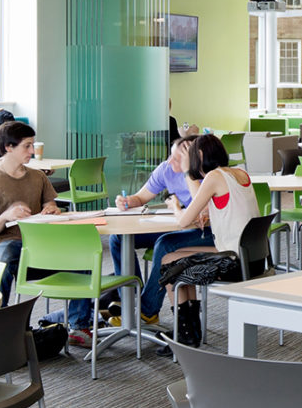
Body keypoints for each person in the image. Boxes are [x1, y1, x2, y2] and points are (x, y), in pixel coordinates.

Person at [156, 134, 258, 347]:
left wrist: (174, 206)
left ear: (200, 156)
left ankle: (186, 336)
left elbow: (184, 221)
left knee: (168, 262)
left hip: (231, 262)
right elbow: (232, 207)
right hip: (251, 257)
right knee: (174, 260)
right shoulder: (240, 173)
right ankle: (189, 333)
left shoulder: (214, 177)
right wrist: (208, 214)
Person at [99, 135, 211, 328]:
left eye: (177, 158)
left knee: (165, 244)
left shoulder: (204, 173)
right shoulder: (166, 169)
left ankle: (147, 310)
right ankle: (132, 300)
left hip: (201, 231)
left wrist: (187, 172)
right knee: (117, 239)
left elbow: (203, 213)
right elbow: (141, 197)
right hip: (179, 226)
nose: (170, 161)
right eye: (171, 156)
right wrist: (127, 201)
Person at [0, 120, 62, 308]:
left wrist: (52, 210)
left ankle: (78, 323)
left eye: (32, 145)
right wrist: (6, 216)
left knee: (82, 253)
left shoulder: (38, 176)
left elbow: (51, 204)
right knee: (2, 262)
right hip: (10, 242)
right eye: (27, 146)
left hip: (42, 239)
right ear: (9, 147)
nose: (32, 151)